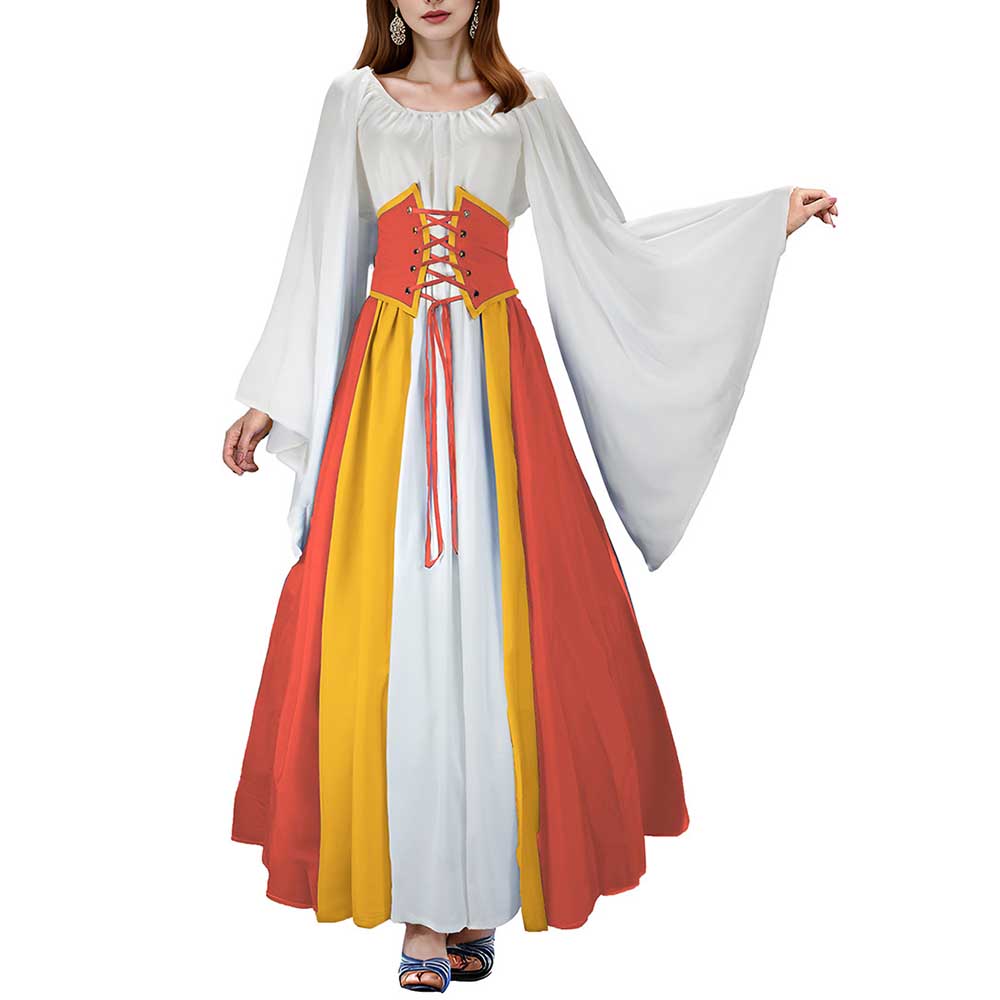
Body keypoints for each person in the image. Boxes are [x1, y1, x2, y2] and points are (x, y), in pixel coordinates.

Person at [223, 0, 837, 992]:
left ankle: (478, 894)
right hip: (389, 396)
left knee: (499, 623)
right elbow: (318, 250)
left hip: (496, 391)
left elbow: (604, 237)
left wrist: (762, 221)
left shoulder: (528, 103)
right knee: (403, 629)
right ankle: (424, 916)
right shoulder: (353, 101)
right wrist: (269, 397)